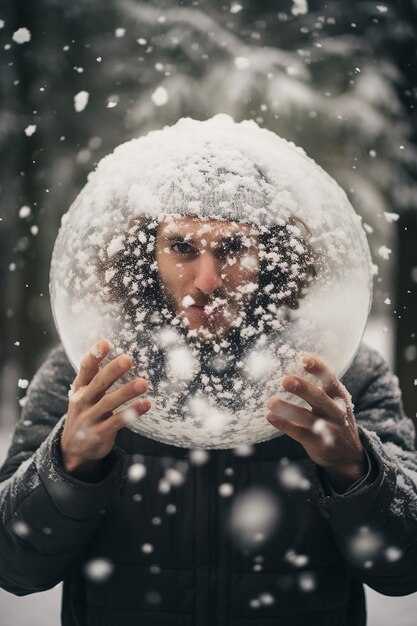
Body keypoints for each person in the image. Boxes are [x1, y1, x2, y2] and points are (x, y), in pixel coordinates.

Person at [1, 121, 417, 626]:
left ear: (272, 254)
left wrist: (354, 470)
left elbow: (404, 571)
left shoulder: (338, 374)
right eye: (181, 247)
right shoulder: (90, 376)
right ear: (144, 253)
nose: (207, 280)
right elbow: (14, 568)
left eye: (232, 248)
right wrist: (68, 465)